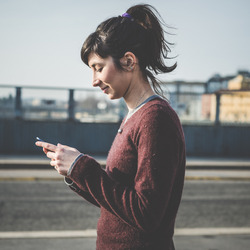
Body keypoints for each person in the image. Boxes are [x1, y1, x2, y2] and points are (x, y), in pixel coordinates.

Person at [36, 4, 186, 250]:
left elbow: (146, 214)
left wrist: (82, 166)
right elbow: (116, 202)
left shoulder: (155, 118)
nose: (94, 81)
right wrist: (74, 173)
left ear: (128, 61)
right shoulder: (135, 115)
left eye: (98, 68)